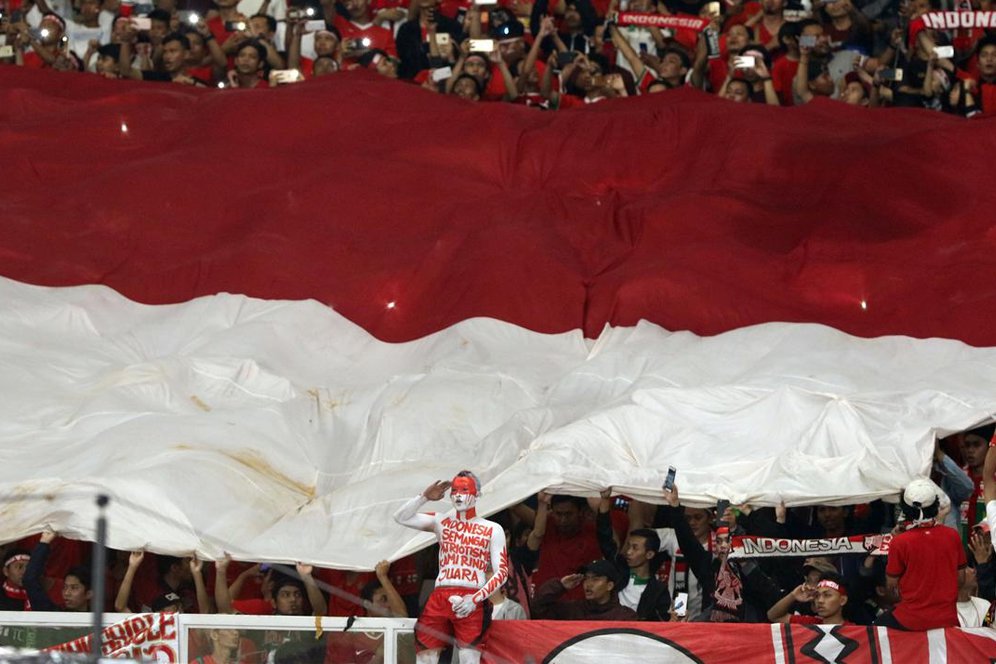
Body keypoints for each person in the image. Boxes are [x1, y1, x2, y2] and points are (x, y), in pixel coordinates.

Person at [394, 470, 508, 664]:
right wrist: (423, 497)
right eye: (454, 490)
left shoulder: (492, 528)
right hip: (440, 596)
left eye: (465, 489)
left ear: (477, 494)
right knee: (424, 656)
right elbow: (401, 517)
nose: (458, 495)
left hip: (471, 596)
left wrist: (476, 598)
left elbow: (502, 572)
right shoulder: (442, 520)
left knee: (469, 657)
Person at [875, 478, 966, 630]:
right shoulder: (952, 536)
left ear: (905, 509)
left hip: (909, 620)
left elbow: (891, 586)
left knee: (873, 631)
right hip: (947, 619)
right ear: (935, 505)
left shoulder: (900, 542)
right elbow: (961, 580)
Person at [595, 489, 671, 620]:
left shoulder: (658, 590)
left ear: (649, 554)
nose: (628, 552)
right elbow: (605, 538)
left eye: (635, 548)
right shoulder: (618, 572)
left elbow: (661, 622)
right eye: (629, 546)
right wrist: (605, 500)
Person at [532, 559, 639, 621]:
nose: (588, 584)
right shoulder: (572, 610)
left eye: (595, 579)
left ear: (609, 585)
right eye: (586, 578)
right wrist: (560, 585)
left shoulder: (625, 617)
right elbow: (539, 608)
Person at [22, 531, 92, 612]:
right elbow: (30, 580)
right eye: (65, 587)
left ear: (89, 593)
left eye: (74, 588)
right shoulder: (54, 616)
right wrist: (44, 542)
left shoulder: (103, 621)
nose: (67, 593)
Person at [768, 573, 850, 625]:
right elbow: (773, 616)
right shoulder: (810, 624)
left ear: (842, 600)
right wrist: (793, 596)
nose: (820, 600)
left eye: (827, 595)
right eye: (817, 595)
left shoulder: (855, 631)